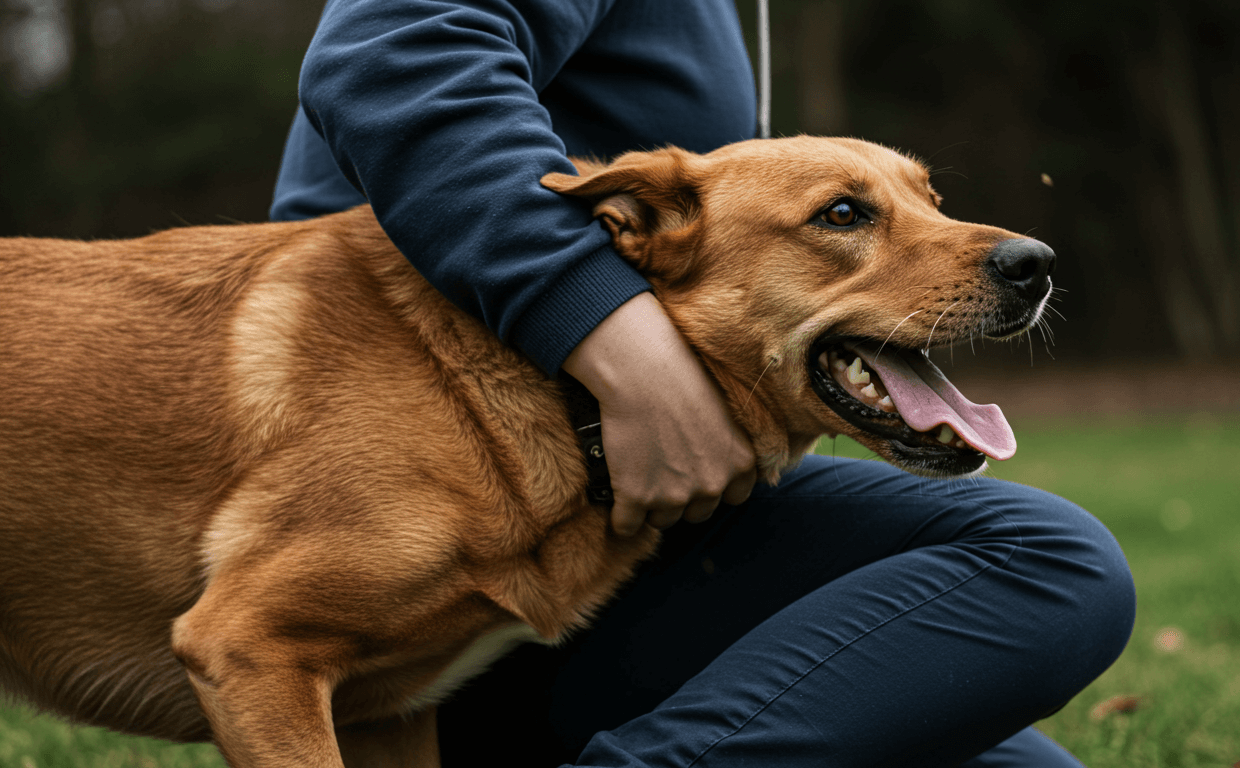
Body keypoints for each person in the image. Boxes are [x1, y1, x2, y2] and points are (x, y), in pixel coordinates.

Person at [270, 1, 1137, 765]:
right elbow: (391, 49)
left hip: (654, 539)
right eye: (849, 217)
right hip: (431, 534)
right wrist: (614, 339)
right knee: (1050, 565)